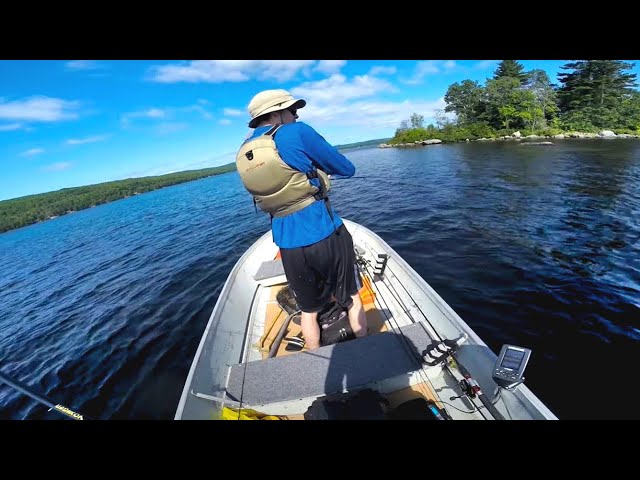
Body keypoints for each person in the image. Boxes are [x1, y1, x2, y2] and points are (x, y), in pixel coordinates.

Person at [235, 89, 367, 350]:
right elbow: (347, 169)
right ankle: (366, 349)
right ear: (275, 114)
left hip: (286, 243)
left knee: (308, 310)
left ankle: (315, 363)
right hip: (325, 233)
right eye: (292, 110)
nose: (296, 115)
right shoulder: (298, 131)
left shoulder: (244, 149)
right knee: (352, 297)